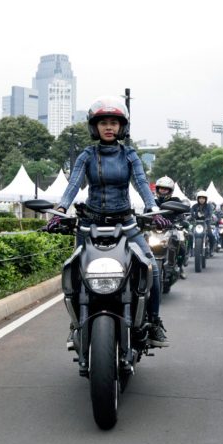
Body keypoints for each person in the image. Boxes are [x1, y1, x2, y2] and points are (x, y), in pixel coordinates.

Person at [53, 96, 169, 348]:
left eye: (114, 123)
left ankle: (154, 321)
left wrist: (153, 209)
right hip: (89, 224)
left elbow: (140, 182)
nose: (109, 127)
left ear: (121, 127)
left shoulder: (129, 155)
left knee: (152, 269)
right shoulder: (87, 155)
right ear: (94, 127)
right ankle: (76, 323)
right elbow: (73, 184)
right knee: (73, 273)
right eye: (103, 122)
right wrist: (60, 209)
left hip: (125, 224)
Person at [155, 175, 187, 279]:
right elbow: (145, 213)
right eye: (161, 188)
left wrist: (182, 221)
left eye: (166, 189)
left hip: (171, 229)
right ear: (157, 189)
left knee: (181, 247)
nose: (163, 191)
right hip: (153, 230)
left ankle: (180, 267)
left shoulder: (176, 200)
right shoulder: (152, 202)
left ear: (170, 190)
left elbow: (182, 213)